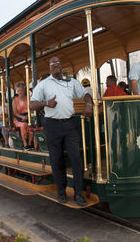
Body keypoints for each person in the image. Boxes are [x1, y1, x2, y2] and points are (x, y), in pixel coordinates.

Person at [30, 56, 93, 206]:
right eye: (53, 64)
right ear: (49, 67)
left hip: (69, 124)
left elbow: (85, 93)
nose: (56, 65)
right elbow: (32, 104)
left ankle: (78, 194)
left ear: (61, 65)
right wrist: (46, 103)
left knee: (76, 159)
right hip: (52, 125)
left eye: (59, 63)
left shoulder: (70, 81)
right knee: (57, 160)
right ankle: (61, 192)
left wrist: (89, 103)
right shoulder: (43, 84)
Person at [12, 83, 33, 150]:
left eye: (21, 90)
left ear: (24, 90)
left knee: (31, 125)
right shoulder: (15, 100)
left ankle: (30, 143)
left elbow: (32, 109)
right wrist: (22, 117)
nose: (20, 92)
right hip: (18, 119)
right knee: (23, 125)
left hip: (28, 117)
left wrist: (27, 116)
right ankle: (25, 143)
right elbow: (15, 113)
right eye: (18, 91)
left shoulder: (28, 98)